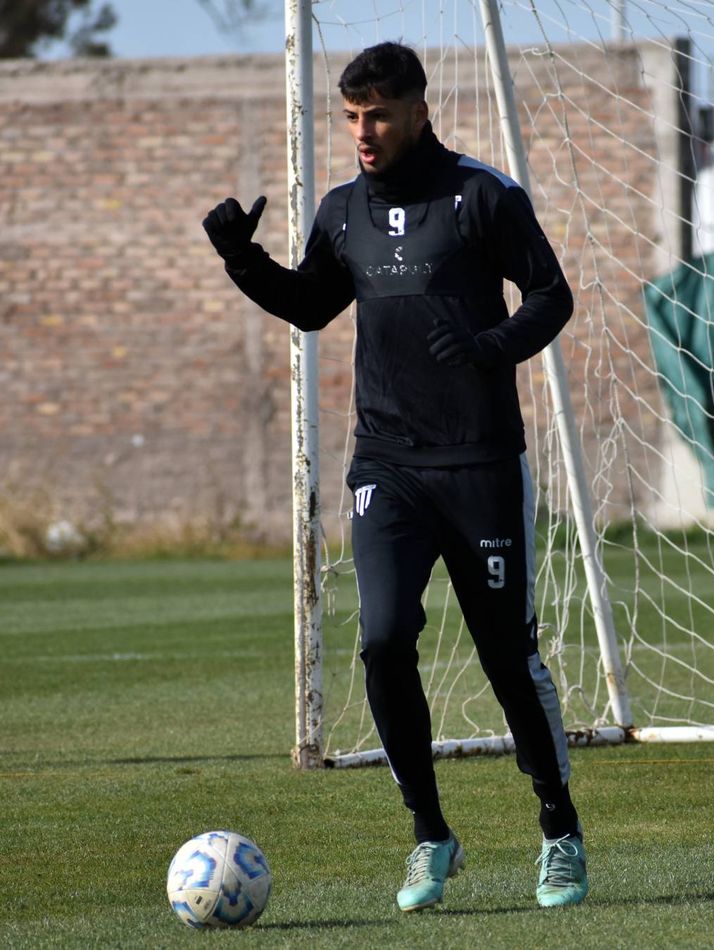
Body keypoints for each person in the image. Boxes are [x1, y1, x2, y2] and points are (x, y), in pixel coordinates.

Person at [203, 41, 587, 913]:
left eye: (377, 114)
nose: (363, 132)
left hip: (480, 464)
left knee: (505, 655)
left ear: (418, 110)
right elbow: (311, 305)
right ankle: (429, 835)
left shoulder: (482, 195)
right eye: (352, 117)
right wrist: (242, 260)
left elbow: (552, 295)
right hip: (386, 465)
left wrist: (488, 347)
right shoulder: (342, 212)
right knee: (381, 639)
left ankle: (559, 829)